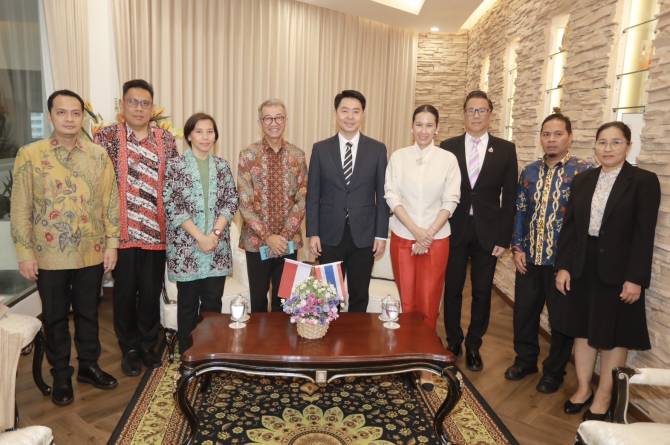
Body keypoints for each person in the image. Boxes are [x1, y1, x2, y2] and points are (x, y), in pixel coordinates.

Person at [11, 89, 119, 406]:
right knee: (55, 317)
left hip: (91, 250)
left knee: (88, 313)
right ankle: (61, 375)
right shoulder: (30, 155)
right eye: (62, 112)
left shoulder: (98, 155)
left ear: (82, 116)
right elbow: (20, 208)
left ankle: (88, 366)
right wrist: (25, 253)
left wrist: (112, 244)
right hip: (49, 255)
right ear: (50, 116)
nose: (69, 119)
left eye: (75, 113)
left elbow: (110, 203)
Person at [555, 121, 660, 421]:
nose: (608, 148)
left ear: (628, 146)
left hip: (619, 270)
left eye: (616, 142)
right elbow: (570, 229)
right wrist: (564, 266)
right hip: (582, 265)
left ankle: (604, 395)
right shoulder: (583, 180)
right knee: (582, 329)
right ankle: (583, 388)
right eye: (602, 142)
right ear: (595, 146)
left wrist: (636, 279)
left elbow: (644, 235)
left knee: (614, 334)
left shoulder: (643, 181)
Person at [94, 79, 177, 376]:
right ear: (123, 104)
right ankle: (129, 347)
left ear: (152, 107)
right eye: (133, 102)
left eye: (145, 103)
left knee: (151, 292)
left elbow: (174, 183)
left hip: (156, 233)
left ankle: (147, 344)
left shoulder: (166, 140)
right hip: (123, 235)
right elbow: (99, 186)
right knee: (125, 294)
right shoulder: (106, 138)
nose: (139, 108)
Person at [504, 113, 591, 393]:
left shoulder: (584, 172)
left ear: (569, 137)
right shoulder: (529, 172)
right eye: (546, 134)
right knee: (524, 314)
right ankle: (525, 361)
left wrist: (571, 262)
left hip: (562, 264)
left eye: (557, 134)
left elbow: (583, 223)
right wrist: (517, 247)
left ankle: (554, 371)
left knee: (560, 321)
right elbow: (520, 211)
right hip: (529, 258)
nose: (551, 139)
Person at [441, 90, 518, 371]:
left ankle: (474, 345)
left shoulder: (506, 149)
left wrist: (504, 237)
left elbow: (510, 198)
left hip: (488, 233)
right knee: (452, 289)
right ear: (464, 114)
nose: (476, 115)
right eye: (471, 110)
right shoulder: (448, 147)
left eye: (481, 110)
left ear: (490, 114)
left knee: (482, 292)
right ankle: (453, 341)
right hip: (454, 229)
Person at [306, 90, 389, 312]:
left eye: (356, 111)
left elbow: (382, 196)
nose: (350, 117)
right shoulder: (321, 149)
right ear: (336, 113)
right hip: (329, 235)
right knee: (327, 295)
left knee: (360, 295)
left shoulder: (377, 149)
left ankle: (356, 335)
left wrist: (381, 234)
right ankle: (328, 333)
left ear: (363, 114)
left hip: (364, 235)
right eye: (345, 111)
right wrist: (313, 232)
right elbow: (313, 195)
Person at [164, 113, 239, 353]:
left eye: (210, 131)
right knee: (187, 305)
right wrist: (200, 237)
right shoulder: (176, 166)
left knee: (212, 305)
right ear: (189, 135)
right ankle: (188, 355)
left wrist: (214, 234)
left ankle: (209, 353)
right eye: (199, 131)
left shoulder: (222, 166)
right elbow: (172, 205)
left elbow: (231, 201)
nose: (205, 137)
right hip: (187, 248)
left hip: (217, 249)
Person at [384, 104, 460, 331]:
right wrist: (416, 232)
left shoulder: (448, 159)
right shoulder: (398, 157)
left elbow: (451, 200)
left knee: (429, 300)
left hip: (436, 240)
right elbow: (392, 196)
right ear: (411, 127)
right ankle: (406, 348)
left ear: (437, 128)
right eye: (419, 125)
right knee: (406, 301)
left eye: (429, 125)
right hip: (403, 236)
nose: (423, 131)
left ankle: (426, 348)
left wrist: (427, 235)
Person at [237, 99, 307, 312]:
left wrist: (282, 239)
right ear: (260, 122)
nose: (273, 123)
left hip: (288, 243)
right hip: (256, 243)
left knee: (285, 301)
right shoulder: (248, 155)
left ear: (285, 120)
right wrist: (269, 237)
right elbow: (244, 202)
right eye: (268, 118)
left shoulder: (297, 155)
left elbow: (302, 198)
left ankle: (282, 337)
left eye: (278, 118)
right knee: (258, 300)